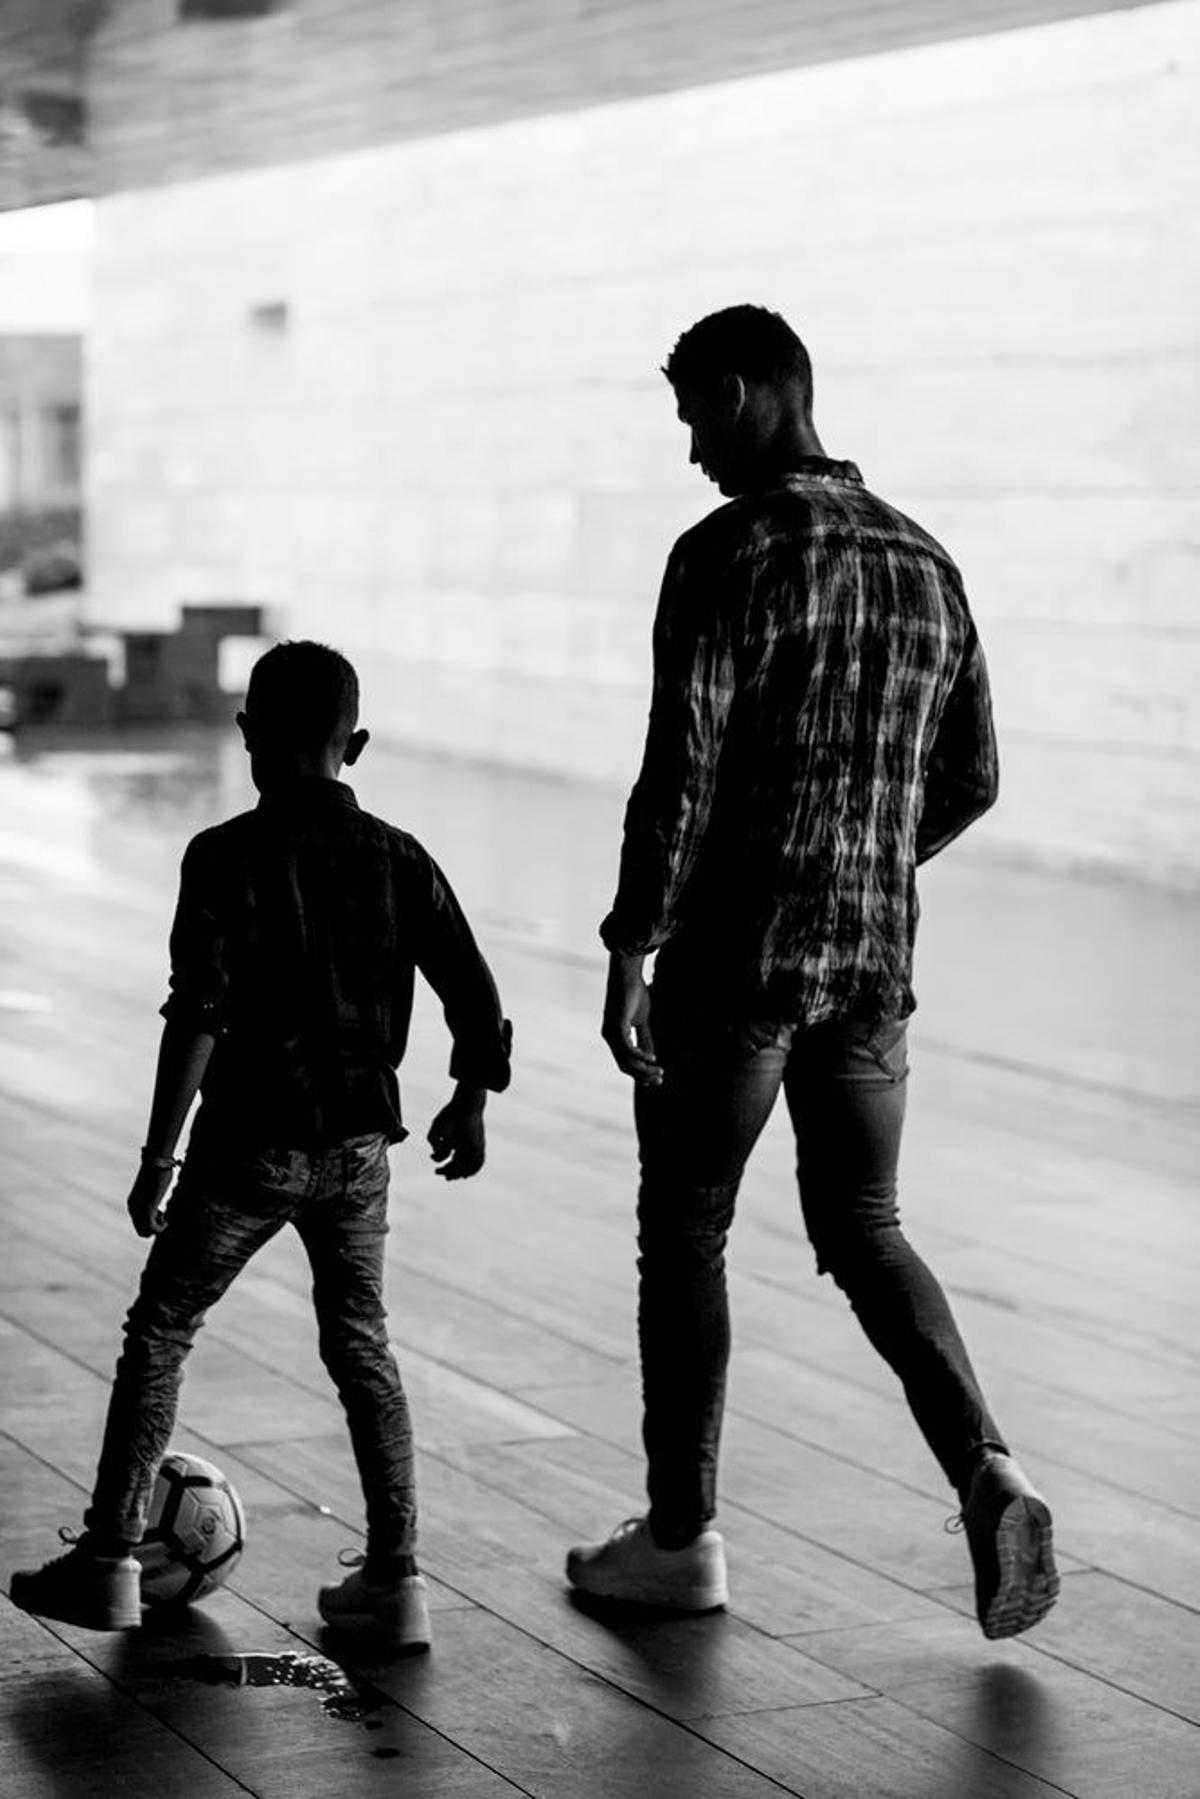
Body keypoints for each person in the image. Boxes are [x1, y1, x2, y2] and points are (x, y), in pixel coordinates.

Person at [565, 305, 1058, 1641]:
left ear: (740, 391)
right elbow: (975, 775)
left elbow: (684, 765)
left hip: (736, 955)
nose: (689, 454)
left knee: (689, 1223)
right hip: (874, 968)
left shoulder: (727, 550)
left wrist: (632, 941)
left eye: (691, 418)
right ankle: (988, 1466)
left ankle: (680, 1539)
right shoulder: (925, 557)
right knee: (866, 1225)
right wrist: (874, 870)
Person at [9, 640, 512, 1652]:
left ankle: (110, 1557)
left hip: (248, 1146)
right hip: (362, 1148)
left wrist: (161, 1152)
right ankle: (396, 1579)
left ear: (246, 737)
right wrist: (469, 1099)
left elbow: (197, 1009)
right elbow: (477, 995)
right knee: (361, 1345)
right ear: (354, 743)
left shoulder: (224, 854)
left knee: (161, 1328)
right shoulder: (401, 856)